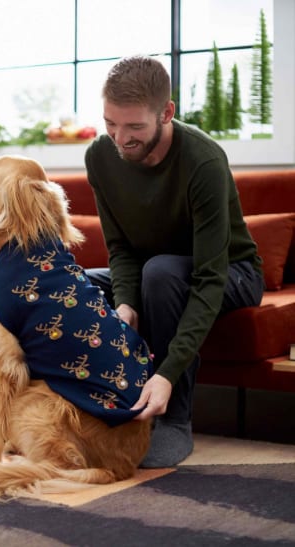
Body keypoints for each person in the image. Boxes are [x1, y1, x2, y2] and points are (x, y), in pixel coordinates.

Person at [83, 55, 264, 467]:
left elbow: (209, 276)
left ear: (166, 113)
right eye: (110, 123)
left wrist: (166, 373)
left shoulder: (203, 161)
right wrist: (125, 300)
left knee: (161, 272)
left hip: (230, 272)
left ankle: (174, 418)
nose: (119, 138)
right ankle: (88, 405)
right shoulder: (100, 156)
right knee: (72, 284)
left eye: (134, 127)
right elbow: (121, 247)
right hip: (150, 274)